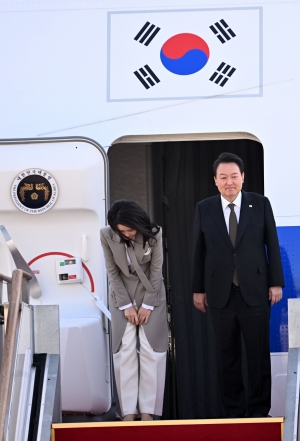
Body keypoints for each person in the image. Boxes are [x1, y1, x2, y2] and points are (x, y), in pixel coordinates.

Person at [192, 152, 284, 418]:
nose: (229, 181)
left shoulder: (260, 204)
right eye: (223, 177)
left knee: (257, 357)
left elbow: (272, 245)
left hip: (255, 292)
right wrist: (198, 289)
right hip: (219, 295)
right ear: (215, 181)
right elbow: (199, 251)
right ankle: (232, 412)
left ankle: (258, 411)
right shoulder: (204, 207)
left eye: (234, 176)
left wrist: (276, 283)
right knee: (226, 358)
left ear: (243, 177)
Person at [100, 200, 168, 421]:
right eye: (123, 231)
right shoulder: (106, 235)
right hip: (122, 298)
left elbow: (156, 271)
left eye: (131, 229)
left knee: (152, 351)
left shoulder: (154, 233)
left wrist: (148, 304)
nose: (128, 234)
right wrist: (126, 305)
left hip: (152, 295)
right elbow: (112, 272)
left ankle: (149, 412)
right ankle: (128, 412)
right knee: (125, 351)